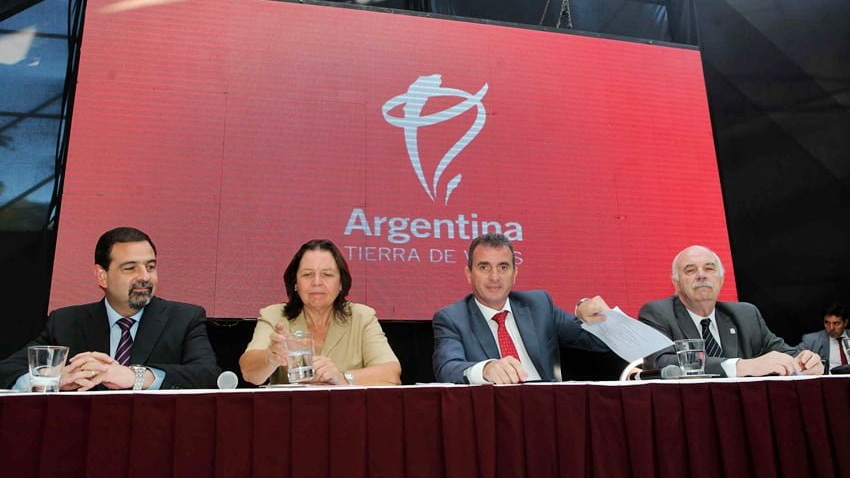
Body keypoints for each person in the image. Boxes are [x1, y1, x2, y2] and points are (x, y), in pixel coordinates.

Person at [0, 227, 221, 390]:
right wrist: (53, 379)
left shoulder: (184, 318)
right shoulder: (66, 321)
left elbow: (208, 375)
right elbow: (7, 371)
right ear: (102, 276)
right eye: (130, 268)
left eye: (150, 266)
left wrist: (137, 377)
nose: (145, 277)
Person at [432, 233, 609, 385]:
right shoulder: (452, 319)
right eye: (484, 267)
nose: (494, 277)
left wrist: (603, 318)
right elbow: (447, 369)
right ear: (469, 274)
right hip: (493, 413)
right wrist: (485, 369)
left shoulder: (539, 305)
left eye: (503, 267)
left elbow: (600, 342)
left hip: (546, 408)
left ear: (514, 274)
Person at [639, 245, 823, 377]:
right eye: (690, 270)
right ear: (676, 283)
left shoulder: (746, 315)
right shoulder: (658, 313)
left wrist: (805, 362)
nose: (701, 275)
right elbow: (660, 363)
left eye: (709, 268)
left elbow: (785, 353)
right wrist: (740, 366)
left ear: (720, 279)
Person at [239, 239, 401, 386]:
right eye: (308, 274)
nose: (317, 282)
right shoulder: (275, 316)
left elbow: (391, 375)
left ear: (341, 284)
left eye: (327, 275)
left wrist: (343, 377)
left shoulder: (362, 317)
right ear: (295, 283)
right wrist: (270, 357)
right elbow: (249, 373)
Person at [797, 303, 849, 374]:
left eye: (836, 323)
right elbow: (794, 355)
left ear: (845, 323)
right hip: (829, 382)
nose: (831, 328)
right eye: (827, 323)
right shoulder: (811, 340)